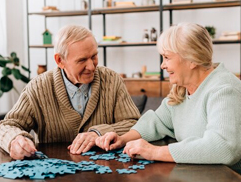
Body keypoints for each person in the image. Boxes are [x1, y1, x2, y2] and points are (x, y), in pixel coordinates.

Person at [95, 23, 241, 182]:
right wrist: (123, 139)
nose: (162, 65)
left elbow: (222, 148)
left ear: (192, 59)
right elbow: (157, 121)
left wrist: (154, 152)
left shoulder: (226, 91)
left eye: (167, 57)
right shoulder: (182, 89)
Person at [0, 25, 140, 160]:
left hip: (107, 173)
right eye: (82, 60)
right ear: (60, 60)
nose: (91, 66)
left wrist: (98, 133)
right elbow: (7, 126)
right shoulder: (37, 87)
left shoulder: (112, 80)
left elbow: (136, 125)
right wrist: (14, 140)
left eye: (94, 56)